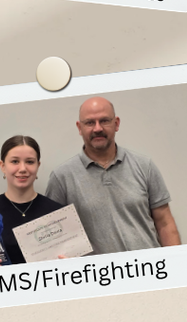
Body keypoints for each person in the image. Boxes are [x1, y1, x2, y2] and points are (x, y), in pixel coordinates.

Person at [44, 96, 180, 255]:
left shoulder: (144, 166)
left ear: (116, 123)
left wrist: (177, 261)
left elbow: (164, 223)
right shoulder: (61, 177)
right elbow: (54, 238)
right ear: (79, 128)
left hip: (149, 266)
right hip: (100, 271)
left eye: (104, 121)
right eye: (89, 122)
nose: (97, 128)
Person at [0, 136, 65, 268]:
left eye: (30, 162)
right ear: (3, 166)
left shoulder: (57, 212)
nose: (22, 168)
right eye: (15, 161)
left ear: (38, 166)